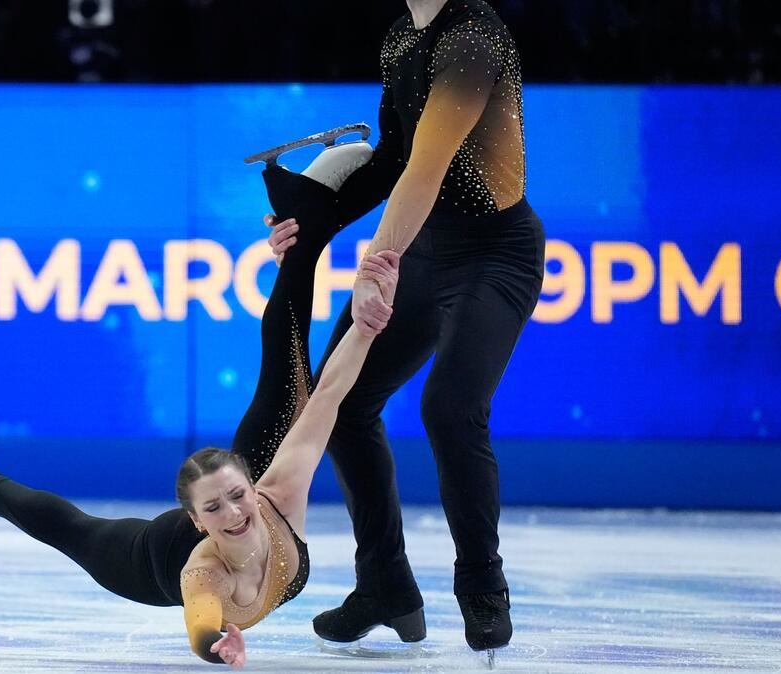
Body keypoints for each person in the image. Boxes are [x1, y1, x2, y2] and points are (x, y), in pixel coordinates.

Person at [0, 202, 402, 668]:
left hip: (237, 481)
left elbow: (328, 399)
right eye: (214, 509)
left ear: (254, 488)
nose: (235, 513)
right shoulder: (203, 571)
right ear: (196, 520)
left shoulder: (277, 494)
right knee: (70, 528)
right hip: (148, 561)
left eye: (238, 496)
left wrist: (366, 327)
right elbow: (200, 625)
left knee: (290, 396)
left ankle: (297, 245)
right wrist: (215, 646)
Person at [265, 0, 545, 655]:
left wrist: (376, 262)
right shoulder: (400, 37)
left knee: (450, 407)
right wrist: (310, 223)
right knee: (341, 400)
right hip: (425, 249)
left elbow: (430, 163)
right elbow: (395, 156)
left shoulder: (474, 36)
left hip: (494, 253)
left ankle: (483, 585)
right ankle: (385, 582)